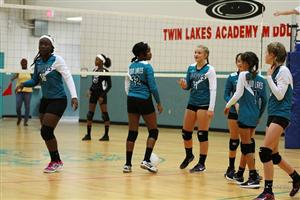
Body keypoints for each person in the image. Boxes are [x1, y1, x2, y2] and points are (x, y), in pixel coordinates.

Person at [16, 35, 78, 173]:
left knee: (46, 131)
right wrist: (23, 84)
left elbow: (68, 76)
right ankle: (56, 160)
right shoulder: (38, 62)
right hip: (45, 100)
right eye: (41, 44)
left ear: (52, 47)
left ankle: (55, 161)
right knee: (45, 133)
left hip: (58, 100)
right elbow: (35, 81)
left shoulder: (57, 60)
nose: (43, 46)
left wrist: (74, 96)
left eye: (46, 44)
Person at [255, 42, 300, 200]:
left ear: (274, 55)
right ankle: (296, 178)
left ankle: (268, 192)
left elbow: (280, 95)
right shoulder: (274, 71)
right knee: (274, 155)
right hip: (273, 114)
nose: (265, 55)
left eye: (267, 52)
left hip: (281, 115)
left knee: (264, 151)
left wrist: (268, 78)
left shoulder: (284, 71)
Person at [224, 52, 267, 188]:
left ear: (247, 63)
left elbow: (237, 94)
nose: (240, 64)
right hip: (254, 115)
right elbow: (264, 100)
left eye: (242, 62)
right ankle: (240, 173)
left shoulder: (242, 75)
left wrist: (227, 106)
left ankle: (253, 176)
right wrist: (259, 115)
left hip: (244, 114)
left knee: (246, 146)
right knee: (248, 144)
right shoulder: (261, 79)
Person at [123, 42, 163, 173]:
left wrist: (132, 95)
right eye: (149, 51)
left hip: (131, 99)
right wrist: (158, 102)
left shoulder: (131, 66)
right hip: (144, 99)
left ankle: (127, 164)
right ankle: (146, 160)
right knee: (153, 131)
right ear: (142, 54)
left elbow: (127, 85)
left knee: (132, 132)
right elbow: (153, 87)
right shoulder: (147, 67)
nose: (151, 53)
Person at [178, 45, 216, 173]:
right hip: (192, 103)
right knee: (185, 132)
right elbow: (188, 86)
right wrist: (184, 85)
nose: (196, 54)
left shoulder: (210, 69)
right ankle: (189, 155)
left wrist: (211, 108)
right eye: (195, 52)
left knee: (202, 134)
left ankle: (202, 163)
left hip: (204, 105)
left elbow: (213, 89)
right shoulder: (191, 67)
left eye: (199, 53)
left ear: (205, 55)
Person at [81, 54, 112, 141]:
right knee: (90, 114)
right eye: (95, 59)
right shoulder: (94, 70)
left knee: (104, 115)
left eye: (97, 60)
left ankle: (106, 135)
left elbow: (109, 86)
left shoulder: (105, 72)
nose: (95, 61)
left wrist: (102, 95)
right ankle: (88, 135)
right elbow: (94, 83)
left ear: (102, 62)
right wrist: (90, 90)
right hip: (93, 94)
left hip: (101, 94)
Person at [11, 58, 32, 126]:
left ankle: (25, 121)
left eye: (25, 63)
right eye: (22, 63)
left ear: (27, 64)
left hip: (28, 91)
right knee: (18, 106)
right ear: (21, 64)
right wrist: (12, 78)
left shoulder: (30, 71)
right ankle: (19, 118)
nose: (24, 64)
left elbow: (34, 80)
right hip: (19, 91)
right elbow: (13, 78)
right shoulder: (19, 71)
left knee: (27, 107)